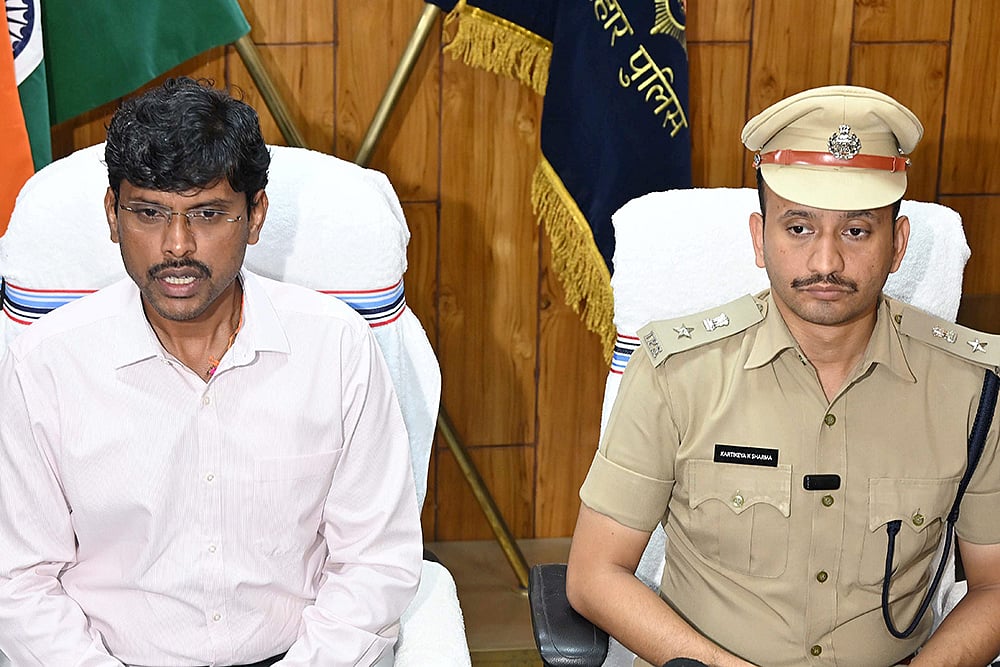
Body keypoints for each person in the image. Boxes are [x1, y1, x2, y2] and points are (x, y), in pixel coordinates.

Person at [565, 85, 1000, 667]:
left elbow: (994, 587)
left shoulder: (972, 387)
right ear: (758, 238)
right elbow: (594, 573)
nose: (826, 263)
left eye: (856, 231)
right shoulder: (676, 373)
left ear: (897, 245)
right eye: (798, 228)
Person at [0, 77, 422, 666]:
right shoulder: (42, 364)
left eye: (207, 213)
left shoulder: (337, 347)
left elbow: (375, 563)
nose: (177, 246)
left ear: (255, 216)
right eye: (149, 213)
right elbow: (18, 583)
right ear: (112, 216)